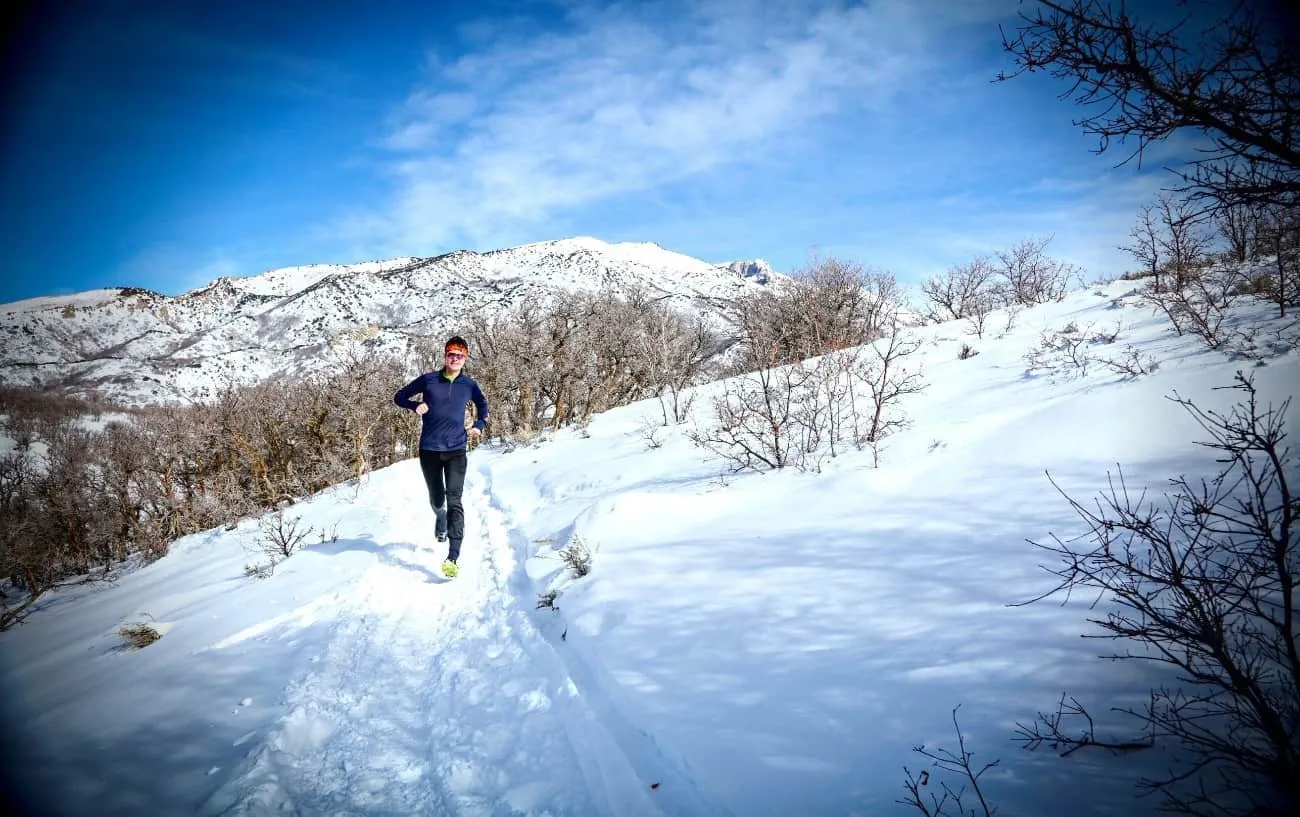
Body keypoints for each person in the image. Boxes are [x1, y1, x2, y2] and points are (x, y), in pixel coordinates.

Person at [393, 335, 489, 578]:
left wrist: (478, 424)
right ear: (445, 356)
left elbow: (483, 406)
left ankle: (452, 557)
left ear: (465, 359)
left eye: (460, 355)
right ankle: (440, 515)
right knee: (437, 499)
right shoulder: (428, 380)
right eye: (451, 354)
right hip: (429, 451)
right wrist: (414, 406)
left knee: (455, 499)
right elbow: (399, 396)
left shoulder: (469, 385)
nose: (454, 358)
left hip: (457, 450)